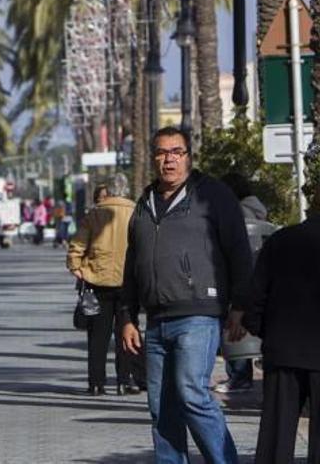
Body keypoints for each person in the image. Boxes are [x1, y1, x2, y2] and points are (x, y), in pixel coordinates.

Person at [120, 126, 252, 463]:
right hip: (156, 320)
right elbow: (132, 262)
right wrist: (127, 317)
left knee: (192, 393)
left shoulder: (213, 195)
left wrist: (240, 306)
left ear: (189, 155)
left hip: (199, 314)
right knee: (161, 407)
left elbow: (239, 251)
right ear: (153, 158)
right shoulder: (145, 202)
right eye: (162, 153)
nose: (169, 160)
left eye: (176, 152)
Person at [243, 209, 320, 463]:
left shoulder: (280, 240)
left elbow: (256, 296)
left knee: (276, 438)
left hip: (283, 349)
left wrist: (265, 330)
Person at [67, 177, 144, 396]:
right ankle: (123, 381)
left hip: (97, 282)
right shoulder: (137, 213)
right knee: (127, 333)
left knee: (97, 336)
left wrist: (77, 268)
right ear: (126, 191)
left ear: (108, 192)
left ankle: (96, 383)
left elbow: (77, 246)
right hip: (128, 284)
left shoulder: (94, 214)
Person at [212, 172, 268, 394]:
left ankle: (238, 376)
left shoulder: (239, 212)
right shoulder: (256, 209)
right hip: (257, 276)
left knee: (233, 325)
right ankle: (241, 374)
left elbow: (238, 248)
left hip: (238, 275)